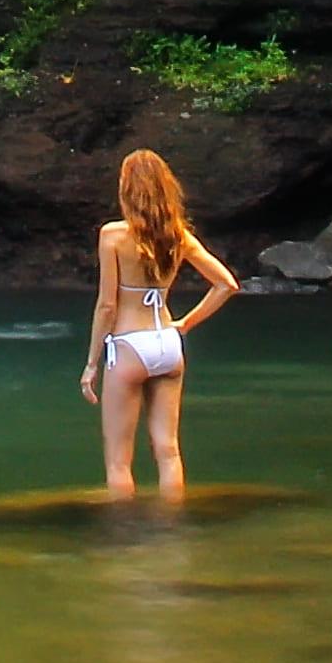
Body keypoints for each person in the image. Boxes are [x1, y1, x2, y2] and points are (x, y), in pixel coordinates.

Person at [81, 146, 238, 498]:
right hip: (167, 343)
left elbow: (107, 306)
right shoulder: (178, 236)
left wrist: (92, 364)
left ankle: (125, 539)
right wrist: (184, 325)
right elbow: (226, 285)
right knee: (168, 451)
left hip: (128, 346)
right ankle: (173, 530)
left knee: (119, 462)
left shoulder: (113, 236)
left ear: (127, 190)